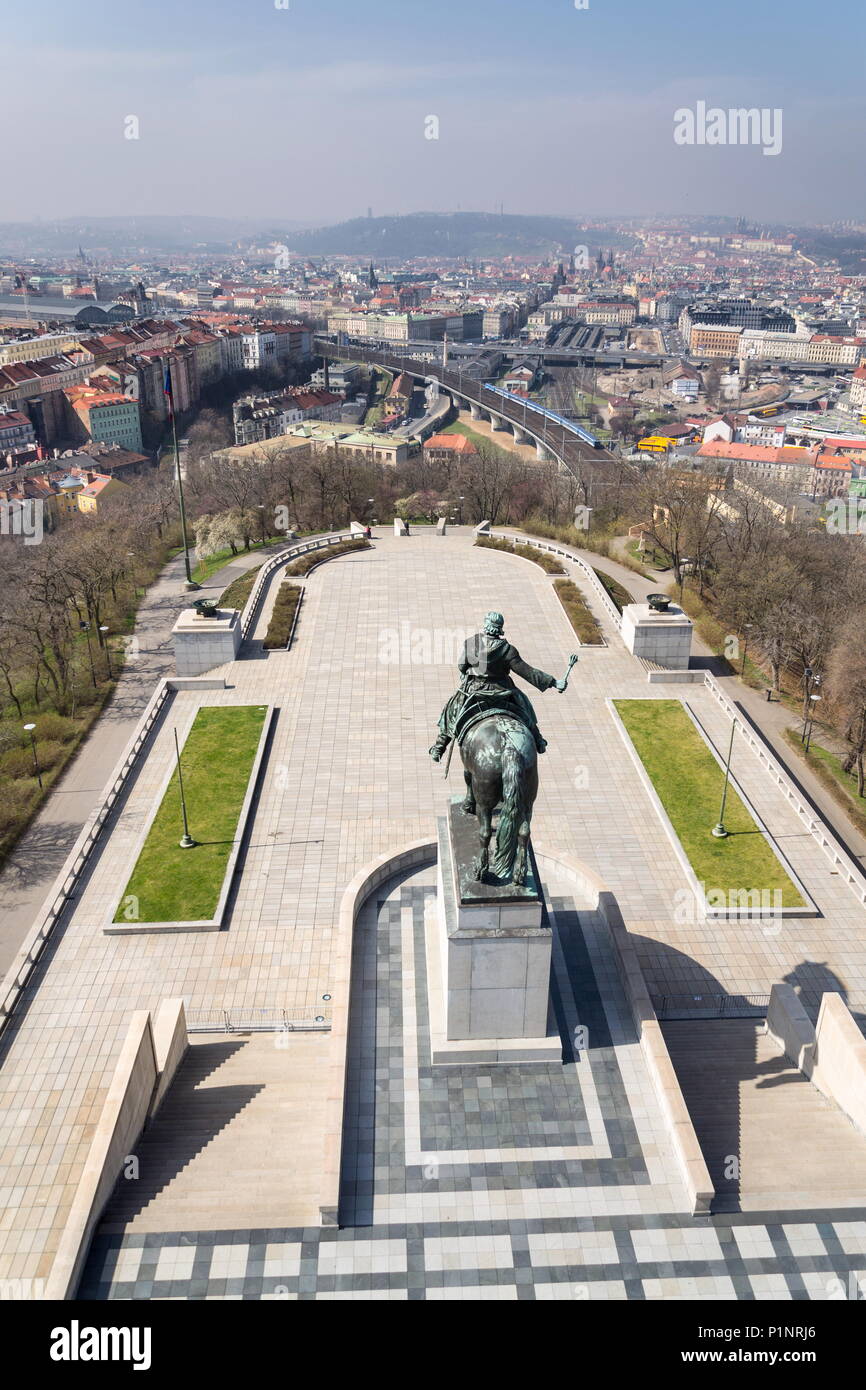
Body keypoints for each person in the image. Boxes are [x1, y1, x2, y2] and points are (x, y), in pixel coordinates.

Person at [429, 611, 566, 761]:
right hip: (503, 692)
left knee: (452, 708)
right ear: (500, 628)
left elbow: (461, 665)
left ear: (486, 625)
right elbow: (527, 672)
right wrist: (553, 682)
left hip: (475, 690)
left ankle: (440, 746)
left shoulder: (472, 643)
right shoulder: (508, 650)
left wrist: (468, 671)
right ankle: (538, 739)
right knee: (524, 706)